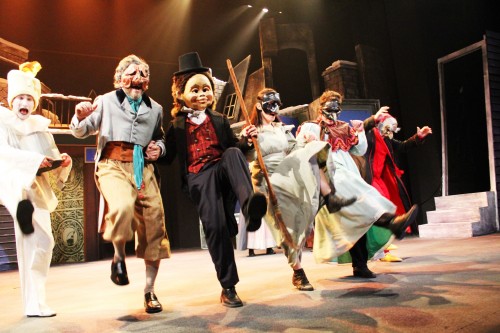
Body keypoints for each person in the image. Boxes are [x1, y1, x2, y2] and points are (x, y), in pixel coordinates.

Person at [163, 52, 267, 307]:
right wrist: (155, 151)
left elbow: (236, 148)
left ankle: (249, 209)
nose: (202, 94)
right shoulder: (176, 125)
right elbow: (167, 157)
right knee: (216, 228)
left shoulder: (220, 119)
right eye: (195, 89)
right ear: (181, 93)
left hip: (221, 170)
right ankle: (228, 286)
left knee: (231, 152)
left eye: (206, 89)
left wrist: (245, 138)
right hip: (199, 178)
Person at [70, 55, 170, 314]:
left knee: (154, 222)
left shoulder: (156, 108)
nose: (137, 80)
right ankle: (118, 258)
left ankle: (149, 291)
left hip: (143, 168)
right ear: (119, 77)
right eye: (132, 74)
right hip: (112, 165)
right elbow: (82, 131)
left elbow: (160, 138)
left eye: (143, 75)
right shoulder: (105, 101)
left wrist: (159, 148)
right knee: (123, 206)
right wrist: (80, 117)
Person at [297, 90, 418, 278]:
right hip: (327, 173)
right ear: (322, 107)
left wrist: (360, 131)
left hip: (347, 169)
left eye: (338, 105)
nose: (334, 109)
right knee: (359, 204)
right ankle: (390, 222)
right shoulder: (311, 127)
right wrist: (309, 143)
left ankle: (360, 265)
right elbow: (301, 148)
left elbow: (359, 149)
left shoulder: (344, 127)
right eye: (331, 105)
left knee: (359, 217)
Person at [248, 88, 354, 290]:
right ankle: (298, 272)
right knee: (286, 227)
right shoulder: (253, 132)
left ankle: (329, 197)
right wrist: (247, 140)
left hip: (289, 173)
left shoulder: (281, 129)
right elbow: (246, 155)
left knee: (303, 223)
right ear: (260, 106)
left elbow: (294, 149)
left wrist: (306, 142)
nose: (274, 109)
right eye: (270, 105)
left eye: (277, 105)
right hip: (269, 179)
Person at [0, 62, 72, 317]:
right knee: (30, 243)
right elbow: (3, 153)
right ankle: (33, 303)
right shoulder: (3, 122)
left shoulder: (40, 127)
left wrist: (61, 160)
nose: (25, 103)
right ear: (11, 100)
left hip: (37, 189)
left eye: (29, 98)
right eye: (20, 97)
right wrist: (32, 162)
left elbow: (50, 156)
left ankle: (37, 301)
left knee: (46, 242)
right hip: (18, 188)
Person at [362, 112, 432, 262]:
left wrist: (418, 137)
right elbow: (362, 129)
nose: (392, 131)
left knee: (387, 208)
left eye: (394, 128)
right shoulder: (369, 135)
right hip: (368, 179)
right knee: (380, 210)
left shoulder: (387, 140)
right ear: (381, 124)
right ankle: (383, 250)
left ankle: (385, 243)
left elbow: (403, 146)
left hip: (380, 178)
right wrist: (373, 119)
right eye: (390, 127)